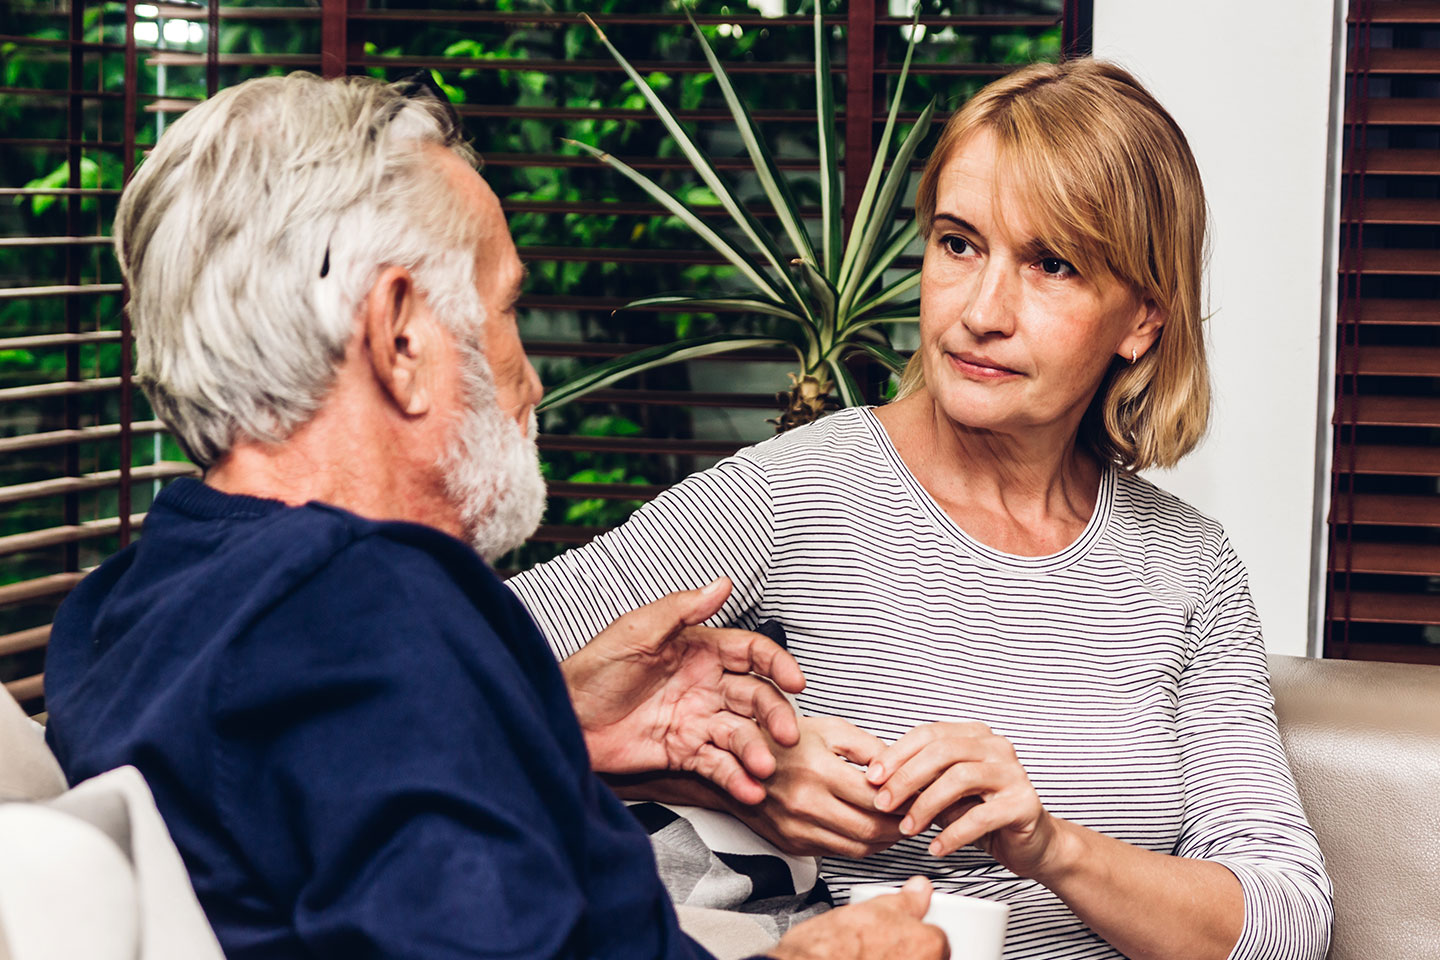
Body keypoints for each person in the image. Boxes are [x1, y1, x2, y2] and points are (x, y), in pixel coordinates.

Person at [40, 72, 949, 960]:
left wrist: (551, 721)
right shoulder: (370, 603)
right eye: (506, 308)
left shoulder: (123, 606)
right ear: (402, 339)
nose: (532, 379)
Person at [508, 59, 1333, 960]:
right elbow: (445, 676)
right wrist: (720, 777)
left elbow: (1285, 921)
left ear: (1141, 321)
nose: (983, 311)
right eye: (959, 243)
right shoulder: (794, 494)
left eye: (1050, 264)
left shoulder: (1188, 566)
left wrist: (1049, 846)